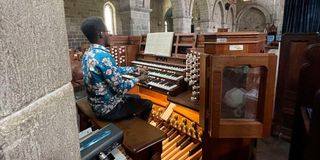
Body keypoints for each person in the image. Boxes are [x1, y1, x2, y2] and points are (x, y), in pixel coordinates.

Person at [80, 16, 152, 121]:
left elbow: (113, 71)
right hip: (107, 110)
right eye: (107, 31)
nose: (109, 34)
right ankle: (135, 130)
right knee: (147, 104)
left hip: (96, 104)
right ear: (101, 34)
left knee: (136, 98)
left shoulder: (88, 53)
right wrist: (139, 79)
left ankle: (131, 119)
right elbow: (121, 88)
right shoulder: (103, 56)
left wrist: (136, 69)